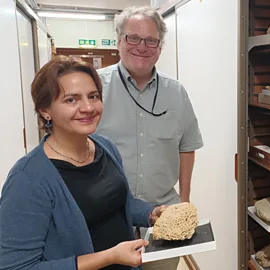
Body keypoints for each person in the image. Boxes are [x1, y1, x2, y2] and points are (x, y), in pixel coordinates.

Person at [0, 56, 166, 270]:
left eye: (93, 96)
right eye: (71, 100)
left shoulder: (105, 147)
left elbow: (118, 203)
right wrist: (108, 257)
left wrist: (151, 214)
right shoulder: (28, 179)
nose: (88, 107)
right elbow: (14, 267)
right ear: (45, 110)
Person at [96, 6, 203, 270]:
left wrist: (185, 202)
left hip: (162, 217)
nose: (142, 47)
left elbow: (187, 146)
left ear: (159, 47)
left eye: (151, 40)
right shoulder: (95, 88)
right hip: (107, 216)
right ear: (119, 40)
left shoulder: (176, 93)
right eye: (133, 38)